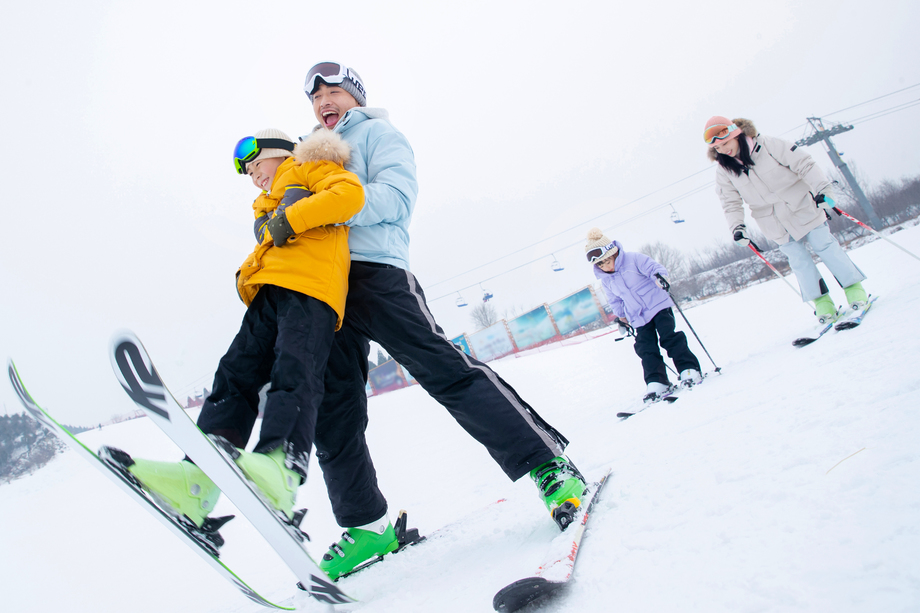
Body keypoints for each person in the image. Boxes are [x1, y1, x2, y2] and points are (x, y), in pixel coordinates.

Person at [300, 61, 587, 579]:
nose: (323, 100)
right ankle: (366, 526)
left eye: (333, 91)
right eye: (315, 96)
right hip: (325, 288)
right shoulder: (309, 154)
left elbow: (397, 199)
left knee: (445, 372)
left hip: (377, 273)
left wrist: (332, 205)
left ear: (355, 96)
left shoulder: (378, 134)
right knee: (333, 408)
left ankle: (549, 465)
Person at [104, 128, 364, 539]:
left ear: (279, 153)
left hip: (312, 289)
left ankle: (281, 466)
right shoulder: (266, 203)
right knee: (234, 374)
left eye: (254, 163)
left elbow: (349, 197)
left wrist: (288, 219)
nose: (251, 174)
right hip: (271, 293)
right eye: (246, 171)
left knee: (295, 370)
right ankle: (197, 481)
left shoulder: (309, 166)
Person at [704, 116, 869, 327]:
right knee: (799, 261)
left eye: (725, 143)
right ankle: (823, 305)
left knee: (825, 246)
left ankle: (855, 291)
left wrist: (824, 190)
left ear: (736, 134)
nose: (723, 149)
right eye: (717, 147)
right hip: (774, 222)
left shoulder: (770, 145)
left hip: (803, 207)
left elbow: (805, 165)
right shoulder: (724, 170)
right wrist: (737, 227)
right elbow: (730, 202)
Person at [585, 228, 703, 403]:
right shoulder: (606, 280)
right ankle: (657, 381)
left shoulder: (633, 259)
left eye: (607, 261)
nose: (605, 267)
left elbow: (654, 268)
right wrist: (622, 317)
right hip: (637, 316)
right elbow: (614, 300)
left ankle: (688, 369)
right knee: (645, 348)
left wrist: (660, 278)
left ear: (614, 253)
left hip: (657, 306)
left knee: (669, 338)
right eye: (600, 265)